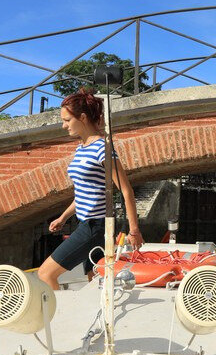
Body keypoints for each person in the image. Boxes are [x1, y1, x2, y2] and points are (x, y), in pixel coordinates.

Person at [38, 88, 143, 290]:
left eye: (67, 120)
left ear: (83, 117)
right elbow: (87, 193)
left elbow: (126, 189)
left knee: (45, 274)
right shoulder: (81, 147)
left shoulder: (102, 148)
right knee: (94, 279)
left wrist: (134, 230)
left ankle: (59, 319)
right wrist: (63, 217)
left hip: (96, 227)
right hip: (85, 223)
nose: (63, 125)